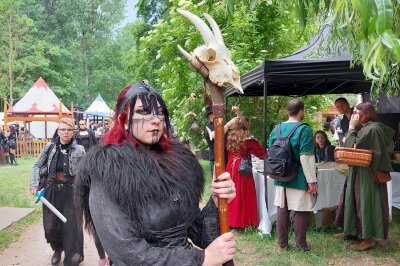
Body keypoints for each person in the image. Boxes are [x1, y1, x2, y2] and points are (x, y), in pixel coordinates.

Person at [74, 80, 236, 265]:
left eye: (159, 112)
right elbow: (127, 253)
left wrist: (216, 201)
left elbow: (195, 230)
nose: (156, 119)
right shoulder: (107, 170)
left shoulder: (178, 161)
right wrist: (201, 259)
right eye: (143, 112)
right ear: (124, 120)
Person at [335, 102, 394, 251]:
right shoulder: (369, 128)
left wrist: (351, 127)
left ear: (366, 113)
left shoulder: (372, 129)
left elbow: (349, 146)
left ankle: (368, 239)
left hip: (367, 174)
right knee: (354, 200)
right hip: (360, 171)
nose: (354, 116)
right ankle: (352, 231)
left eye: (357, 113)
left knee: (365, 204)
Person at [29, 118, 85, 265]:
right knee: (50, 226)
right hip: (51, 191)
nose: (66, 132)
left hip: (71, 192)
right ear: (58, 131)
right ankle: (57, 248)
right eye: (63, 129)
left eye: (69, 130)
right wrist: (34, 185)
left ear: (73, 132)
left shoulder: (80, 150)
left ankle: (70, 256)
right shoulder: (49, 148)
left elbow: (86, 172)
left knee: (71, 226)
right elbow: (36, 166)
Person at [269, 98, 318, 251]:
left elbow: (271, 153)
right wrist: (312, 181)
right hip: (297, 176)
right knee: (302, 210)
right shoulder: (304, 129)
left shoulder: (276, 129)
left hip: (280, 175)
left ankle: (282, 244)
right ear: (301, 111)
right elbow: (306, 156)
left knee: (282, 210)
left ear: (287, 111)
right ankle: (301, 245)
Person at [226, 107, 264, 228]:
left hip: (230, 167)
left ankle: (231, 221)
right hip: (242, 168)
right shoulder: (248, 140)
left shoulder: (231, 137)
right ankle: (244, 222)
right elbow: (262, 153)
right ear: (246, 125)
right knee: (243, 194)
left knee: (232, 193)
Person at [204, 105, 239, 175]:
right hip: (216, 161)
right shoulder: (208, 128)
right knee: (218, 183)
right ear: (208, 116)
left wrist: (238, 113)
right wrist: (228, 125)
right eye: (211, 114)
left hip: (228, 159)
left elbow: (241, 123)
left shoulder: (225, 124)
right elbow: (215, 135)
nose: (213, 116)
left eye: (214, 113)